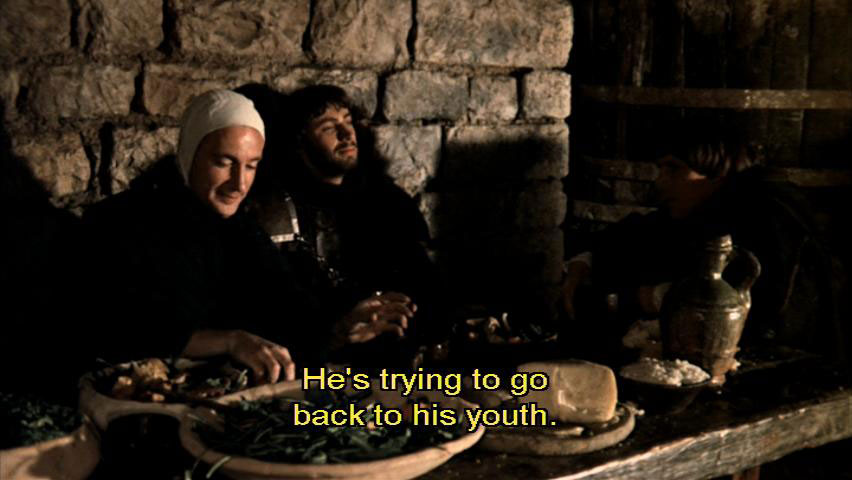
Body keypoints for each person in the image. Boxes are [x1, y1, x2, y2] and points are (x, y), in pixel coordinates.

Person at [80, 90, 329, 383]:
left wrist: (339, 327)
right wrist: (229, 341)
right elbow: (119, 332)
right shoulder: (120, 223)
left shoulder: (240, 228)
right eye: (224, 162)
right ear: (189, 155)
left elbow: (288, 301)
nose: (239, 184)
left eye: (251, 166)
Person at [562, 124, 848, 364]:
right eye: (661, 169)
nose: (661, 182)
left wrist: (653, 297)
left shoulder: (767, 214)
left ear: (717, 173)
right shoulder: (704, 207)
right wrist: (582, 263)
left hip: (790, 366)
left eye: (674, 170)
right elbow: (636, 233)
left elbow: (753, 302)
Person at [240, 84, 443, 368]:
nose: (346, 134)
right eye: (328, 127)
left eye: (348, 121)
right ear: (299, 141)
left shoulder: (386, 199)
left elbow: (425, 282)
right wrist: (337, 328)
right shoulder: (277, 210)